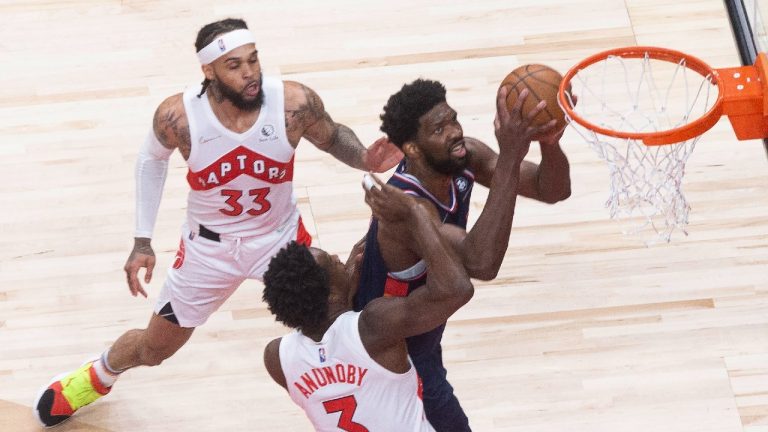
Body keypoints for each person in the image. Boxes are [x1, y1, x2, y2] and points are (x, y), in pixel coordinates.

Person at [33, 17, 402, 427]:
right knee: (155, 350)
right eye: (235, 65)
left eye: (254, 60)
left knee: (339, 311)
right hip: (209, 249)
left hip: (278, 238)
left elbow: (332, 137)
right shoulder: (178, 116)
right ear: (208, 71)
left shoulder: (293, 103)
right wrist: (142, 241)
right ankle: (97, 376)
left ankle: (386, 392)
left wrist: (364, 158)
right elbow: (150, 161)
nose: (250, 73)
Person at [353, 79, 572, 431]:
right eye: (439, 129)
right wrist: (512, 157)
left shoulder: (465, 155)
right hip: (391, 354)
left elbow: (552, 189)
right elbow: (482, 262)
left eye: (453, 120)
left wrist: (549, 144)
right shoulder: (409, 207)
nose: (454, 132)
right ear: (411, 148)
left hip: (420, 336)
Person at [261, 173, 473, 432]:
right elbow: (457, 289)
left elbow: (335, 356)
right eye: (333, 261)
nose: (341, 257)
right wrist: (415, 215)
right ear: (330, 294)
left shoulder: (277, 358)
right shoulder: (375, 327)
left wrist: (345, 293)